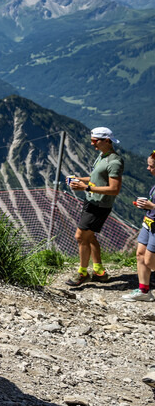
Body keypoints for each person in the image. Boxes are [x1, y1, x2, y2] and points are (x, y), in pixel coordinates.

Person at [65, 127, 123, 286]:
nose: (92, 144)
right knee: (89, 236)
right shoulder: (102, 156)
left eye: (95, 141)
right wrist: (79, 179)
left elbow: (114, 189)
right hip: (91, 201)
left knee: (80, 237)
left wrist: (86, 188)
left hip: (100, 205)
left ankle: (83, 273)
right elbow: (96, 177)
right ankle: (99, 272)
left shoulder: (114, 161)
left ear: (107, 140)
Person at [123, 151, 155, 301]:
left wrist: (152, 206)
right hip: (148, 223)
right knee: (140, 254)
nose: (148, 169)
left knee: (150, 260)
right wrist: (146, 206)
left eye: (151, 166)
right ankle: (144, 291)